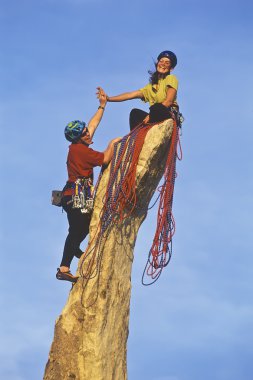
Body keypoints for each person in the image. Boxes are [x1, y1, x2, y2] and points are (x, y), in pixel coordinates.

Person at [56, 88, 121, 283]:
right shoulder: (82, 152)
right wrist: (113, 142)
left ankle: (74, 249)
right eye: (85, 132)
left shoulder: (78, 146)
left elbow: (93, 124)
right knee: (79, 229)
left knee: (79, 228)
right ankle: (64, 268)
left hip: (72, 195)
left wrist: (102, 106)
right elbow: (106, 158)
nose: (89, 132)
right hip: (78, 195)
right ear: (79, 137)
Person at [99, 50, 179, 130]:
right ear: (157, 63)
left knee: (156, 107)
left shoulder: (171, 78)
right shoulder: (150, 87)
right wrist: (109, 98)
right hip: (155, 114)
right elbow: (130, 95)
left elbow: (168, 101)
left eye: (167, 63)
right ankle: (133, 140)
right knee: (135, 113)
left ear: (171, 68)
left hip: (166, 112)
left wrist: (151, 115)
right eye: (161, 61)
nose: (163, 64)